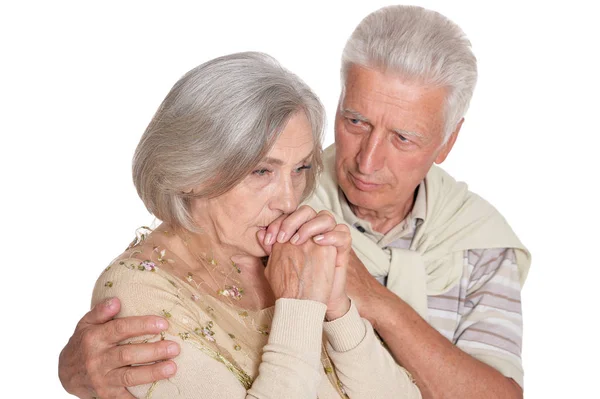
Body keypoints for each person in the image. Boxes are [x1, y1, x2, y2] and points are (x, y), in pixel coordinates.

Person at [59, 5, 530, 399]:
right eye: (356, 121)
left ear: (447, 142)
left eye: (403, 137)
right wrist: (71, 368)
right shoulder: (289, 214)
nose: (367, 160)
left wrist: (357, 304)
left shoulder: (479, 241)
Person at [64, 51, 421, 399]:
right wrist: (300, 308)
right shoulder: (141, 293)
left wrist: (335, 306)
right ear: (194, 172)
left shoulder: (289, 258)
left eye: (299, 169)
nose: (288, 200)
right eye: (262, 171)